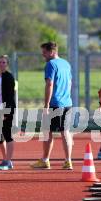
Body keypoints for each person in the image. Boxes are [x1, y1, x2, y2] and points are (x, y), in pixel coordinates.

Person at [30, 42, 74, 170]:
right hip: (67, 102)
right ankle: (68, 161)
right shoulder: (66, 63)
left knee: (47, 131)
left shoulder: (51, 64)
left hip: (55, 103)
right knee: (65, 131)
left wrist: (46, 104)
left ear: (52, 52)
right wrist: (66, 96)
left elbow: (49, 84)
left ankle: (45, 160)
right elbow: (70, 83)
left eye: (44, 52)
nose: (43, 55)